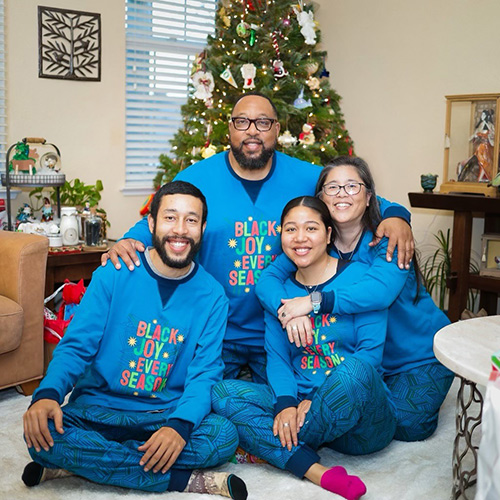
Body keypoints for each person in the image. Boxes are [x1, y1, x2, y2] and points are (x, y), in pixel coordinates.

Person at [102, 92, 414, 383]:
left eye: (263, 122)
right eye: (242, 122)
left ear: (276, 129)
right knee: (202, 398)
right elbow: (158, 218)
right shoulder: (197, 177)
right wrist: (128, 240)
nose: (253, 130)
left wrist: (397, 216)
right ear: (229, 129)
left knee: (291, 400)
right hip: (219, 331)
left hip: (281, 329)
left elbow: (356, 195)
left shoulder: (305, 176)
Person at [22, 181, 247, 500]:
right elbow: (77, 345)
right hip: (98, 409)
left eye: (191, 220)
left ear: (202, 228)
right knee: (40, 433)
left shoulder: (213, 297)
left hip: (162, 416)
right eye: (170, 217)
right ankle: (180, 480)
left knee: (222, 437)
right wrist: (47, 394)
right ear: (152, 223)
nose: (180, 230)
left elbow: (205, 374)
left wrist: (179, 427)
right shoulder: (114, 272)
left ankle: (84, 464)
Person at [257, 156, 454, 442]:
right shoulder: (316, 242)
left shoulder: (388, 238)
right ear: (320, 198)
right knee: (346, 403)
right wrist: (287, 310)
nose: (342, 194)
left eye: (352, 186)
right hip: (367, 359)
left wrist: (311, 302)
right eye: (332, 188)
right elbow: (267, 281)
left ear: (368, 195)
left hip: (415, 356)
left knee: (405, 427)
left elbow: (379, 293)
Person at [212, 196, 396, 500]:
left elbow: (370, 355)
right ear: (281, 236)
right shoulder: (280, 295)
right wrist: (285, 404)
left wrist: (319, 397)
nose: (300, 238)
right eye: (290, 229)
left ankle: (268, 443)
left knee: (355, 371)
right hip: (304, 408)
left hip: (362, 422)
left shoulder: (359, 278)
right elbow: (279, 360)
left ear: (329, 234)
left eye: (311, 228)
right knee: (221, 393)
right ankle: (314, 469)